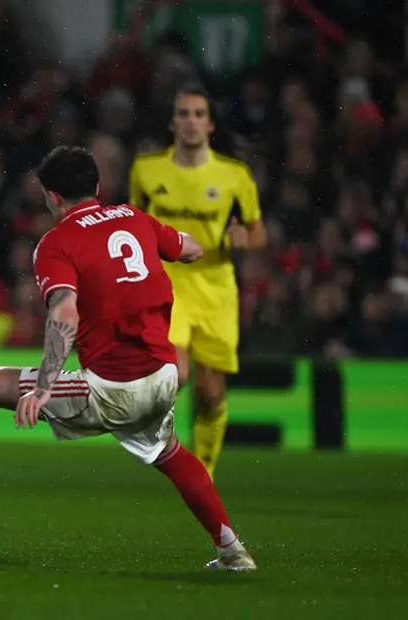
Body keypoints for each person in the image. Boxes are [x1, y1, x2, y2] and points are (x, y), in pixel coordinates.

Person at [0, 146, 257, 571]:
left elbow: (65, 312)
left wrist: (44, 387)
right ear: (97, 186)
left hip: (111, 387)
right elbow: (192, 249)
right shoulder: (135, 218)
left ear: (51, 197)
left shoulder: (58, 243)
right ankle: (233, 552)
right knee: (169, 452)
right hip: (163, 376)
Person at [128, 85, 266, 480]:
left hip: (216, 284)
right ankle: (164, 451)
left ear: (211, 125)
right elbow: (134, 222)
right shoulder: (147, 170)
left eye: (198, 114)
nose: (191, 121)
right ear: (172, 123)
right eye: (183, 114)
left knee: (210, 394)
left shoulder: (234, 176)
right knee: (177, 373)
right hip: (168, 279)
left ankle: (203, 470)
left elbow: (257, 231)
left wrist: (243, 239)